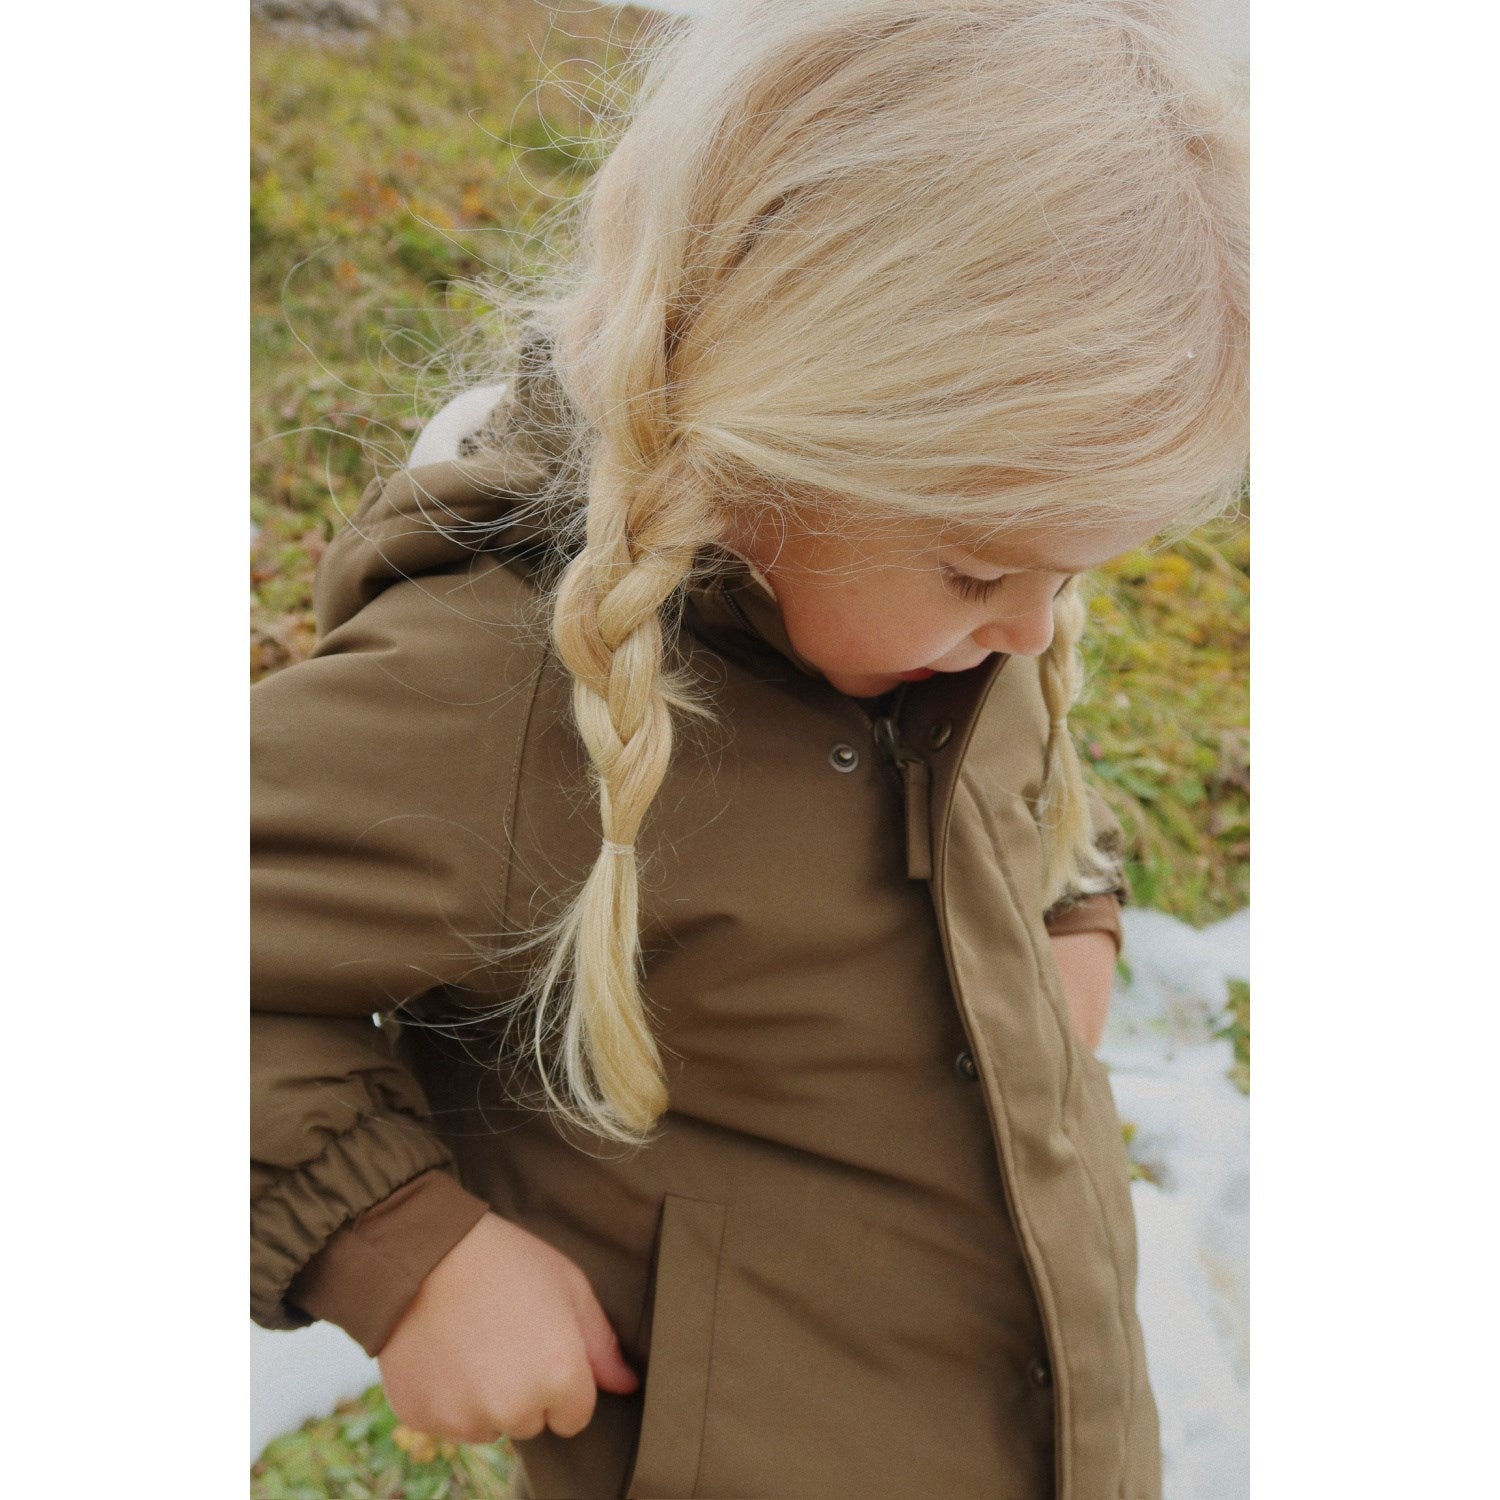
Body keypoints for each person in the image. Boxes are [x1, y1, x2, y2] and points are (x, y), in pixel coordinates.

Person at [250, 2, 1248, 1496]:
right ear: (776, 439)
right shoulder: (500, 701)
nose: (1034, 630)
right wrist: (395, 1247)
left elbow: (1015, 751)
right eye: (984, 569)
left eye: (1074, 574)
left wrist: (1073, 896)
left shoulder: (928, 625)